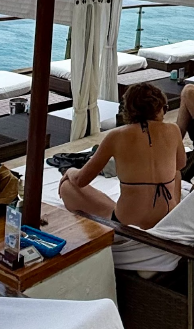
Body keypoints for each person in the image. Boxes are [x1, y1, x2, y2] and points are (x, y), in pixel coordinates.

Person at [59, 83, 186, 229]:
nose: (164, 113)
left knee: (67, 187)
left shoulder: (116, 136)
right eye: (164, 108)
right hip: (165, 217)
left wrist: (69, 171)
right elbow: (181, 165)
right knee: (176, 173)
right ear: (157, 109)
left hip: (127, 223)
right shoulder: (173, 130)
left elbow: (81, 180)